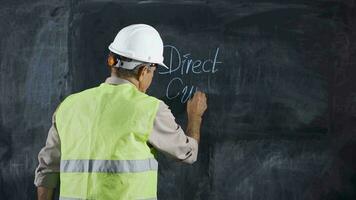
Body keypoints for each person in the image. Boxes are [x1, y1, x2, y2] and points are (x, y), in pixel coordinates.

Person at [34, 24, 207, 200]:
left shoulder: (68, 106)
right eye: (152, 72)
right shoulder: (149, 109)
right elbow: (188, 154)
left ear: (112, 62)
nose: (151, 78)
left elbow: (47, 170)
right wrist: (195, 118)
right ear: (143, 71)